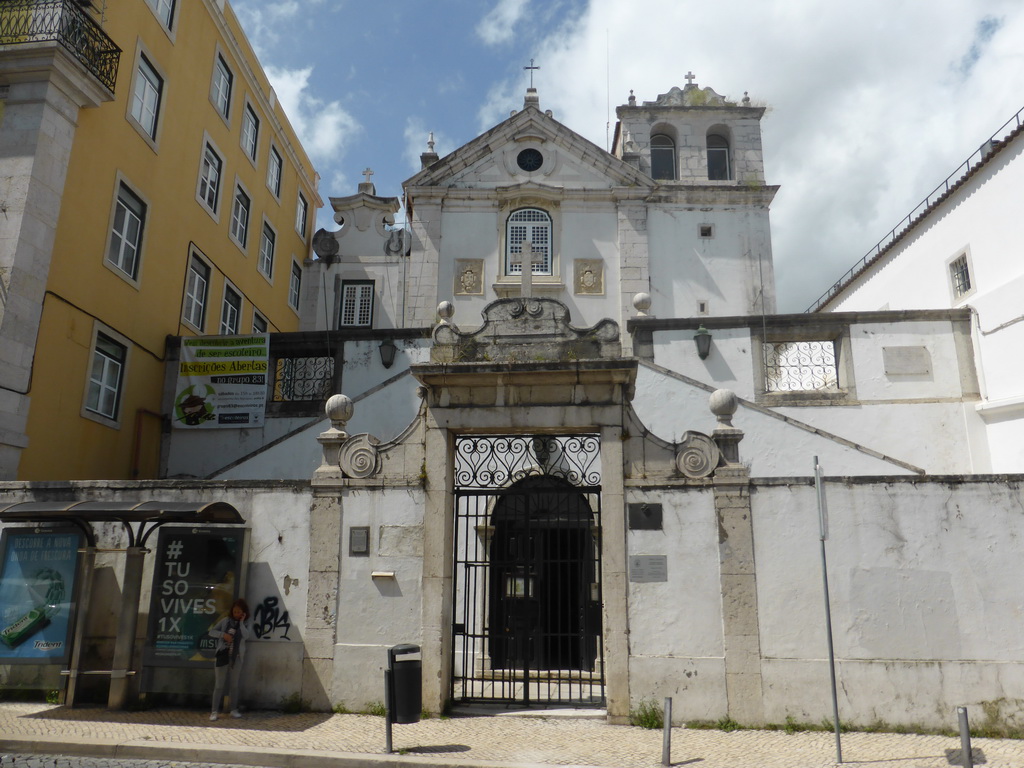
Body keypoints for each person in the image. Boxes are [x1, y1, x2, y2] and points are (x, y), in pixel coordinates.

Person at [208, 598, 251, 721]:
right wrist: (223, 635)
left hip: (236, 657)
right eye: (235, 612)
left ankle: (233, 709)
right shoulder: (225, 621)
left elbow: (246, 635)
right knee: (219, 685)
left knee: (234, 685)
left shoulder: (246, 623)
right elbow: (211, 631)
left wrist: (241, 623)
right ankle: (214, 711)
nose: (236, 614)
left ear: (244, 613)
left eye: (239, 612)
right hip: (223, 655)